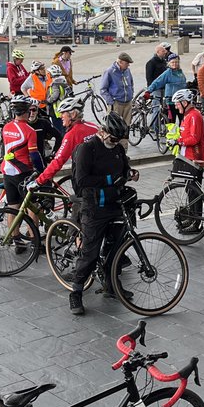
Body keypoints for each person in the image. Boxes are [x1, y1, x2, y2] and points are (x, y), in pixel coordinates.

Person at [66, 113, 136, 315]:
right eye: (113, 139)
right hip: (94, 207)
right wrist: (109, 179)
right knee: (90, 253)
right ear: (102, 131)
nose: (115, 143)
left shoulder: (117, 150)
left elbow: (123, 169)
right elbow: (81, 181)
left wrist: (130, 174)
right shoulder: (87, 149)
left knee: (115, 250)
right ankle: (76, 293)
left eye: (119, 140)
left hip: (115, 205)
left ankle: (112, 286)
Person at [34, 96, 98, 188]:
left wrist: (39, 181)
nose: (60, 116)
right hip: (101, 174)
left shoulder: (71, 134)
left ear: (73, 114)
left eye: (63, 113)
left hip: (84, 177)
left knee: (78, 201)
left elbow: (58, 161)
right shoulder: (93, 126)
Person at [1, 95, 44, 211]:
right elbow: (34, 155)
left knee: (13, 208)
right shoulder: (30, 130)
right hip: (23, 172)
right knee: (33, 207)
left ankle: (14, 230)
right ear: (27, 111)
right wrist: (42, 170)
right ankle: (33, 230)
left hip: (7, 171)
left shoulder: (6, 127)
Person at [166, 88, 204, 169]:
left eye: (177, 104)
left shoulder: (194, 115)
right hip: (187, 155)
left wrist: (177, 141)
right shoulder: (188, 114)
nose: (175, 107)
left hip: (194, 156)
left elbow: (194, 138)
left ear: (184, 103)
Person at [99, 53, 135, 122]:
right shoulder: (109, 71)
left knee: (127, 125)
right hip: (116, 104)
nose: (128, 65)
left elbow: (131, 83)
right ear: (120, 62)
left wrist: (131, 94)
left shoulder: (127, 70)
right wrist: (111, 102)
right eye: (127, 63)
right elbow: (103, 89)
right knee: (116, 127)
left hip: (128, 103)